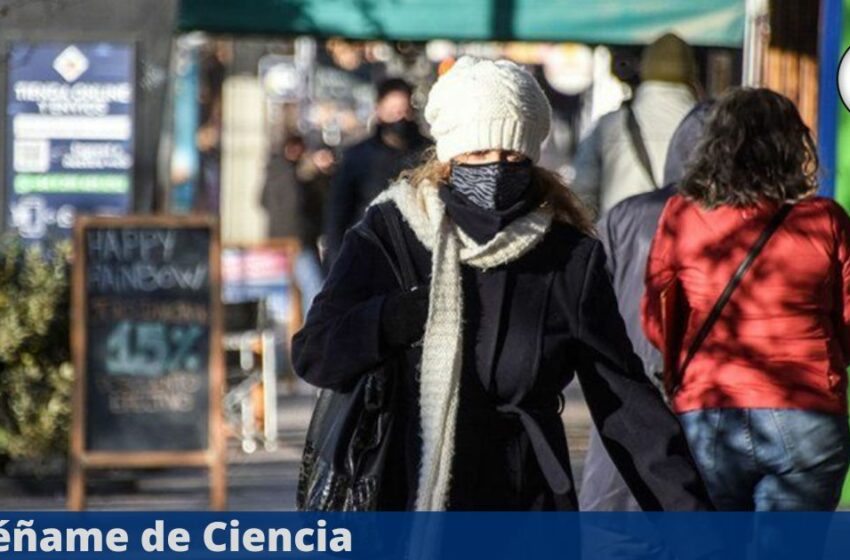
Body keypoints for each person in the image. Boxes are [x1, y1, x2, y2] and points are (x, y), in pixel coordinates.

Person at [293, 56, 712, 511]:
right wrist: (401, 316)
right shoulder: (392, 233)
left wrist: (696, 528)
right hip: (402, 496)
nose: (495, 168)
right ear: (450, 156)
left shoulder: (565, 255)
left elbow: (626, 406)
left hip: (522, 506)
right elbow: (316, 355)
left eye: (511, 155)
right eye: (477, 153)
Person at [642, 88, 850, 511]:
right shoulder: (825, 220)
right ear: (792, 147)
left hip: (710, 408)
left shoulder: (683, 216)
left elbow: (657, 318)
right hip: (808, 410)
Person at [580, 102, 714, 512]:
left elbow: (588, 295)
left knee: (619, 502)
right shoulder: (739, 218)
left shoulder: (628, 213)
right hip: (707, 394)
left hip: (629, 381)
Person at [572, 33, 698, 216]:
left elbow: (582, 189)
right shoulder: (709, 126)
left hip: (620, 238)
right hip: (683, 240)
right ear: (691, 74)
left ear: (645, 69)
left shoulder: (611, 124)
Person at [323, 77, 431, 265]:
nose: (400, 119)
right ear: (379, 111)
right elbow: (338, 213)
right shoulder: (357, 157)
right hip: (368, 255)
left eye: (404, 112)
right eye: (393, 112)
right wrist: (336, 261)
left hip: (417, 256)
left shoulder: (428, 154)